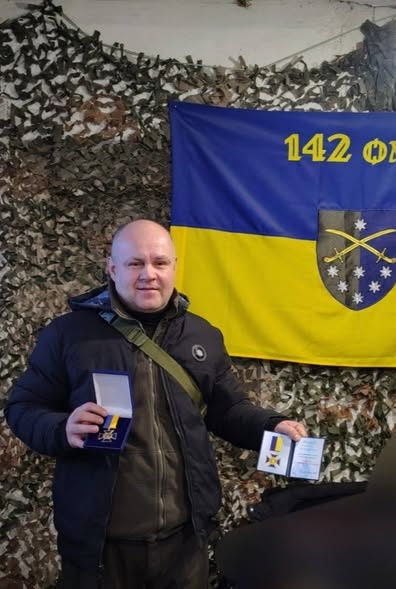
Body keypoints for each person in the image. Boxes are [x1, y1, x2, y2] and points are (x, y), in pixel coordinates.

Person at [5, 219, 307, 589]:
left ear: (174, 266)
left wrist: (271, 426)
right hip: (100, 548)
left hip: (185, 545)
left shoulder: (202, 335)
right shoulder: (68, 335)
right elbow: (23, 408)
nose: (149, 274)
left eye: (159, 262)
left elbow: (228, 410)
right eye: (135, 263)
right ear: (112, 268)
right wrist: (62, 428)